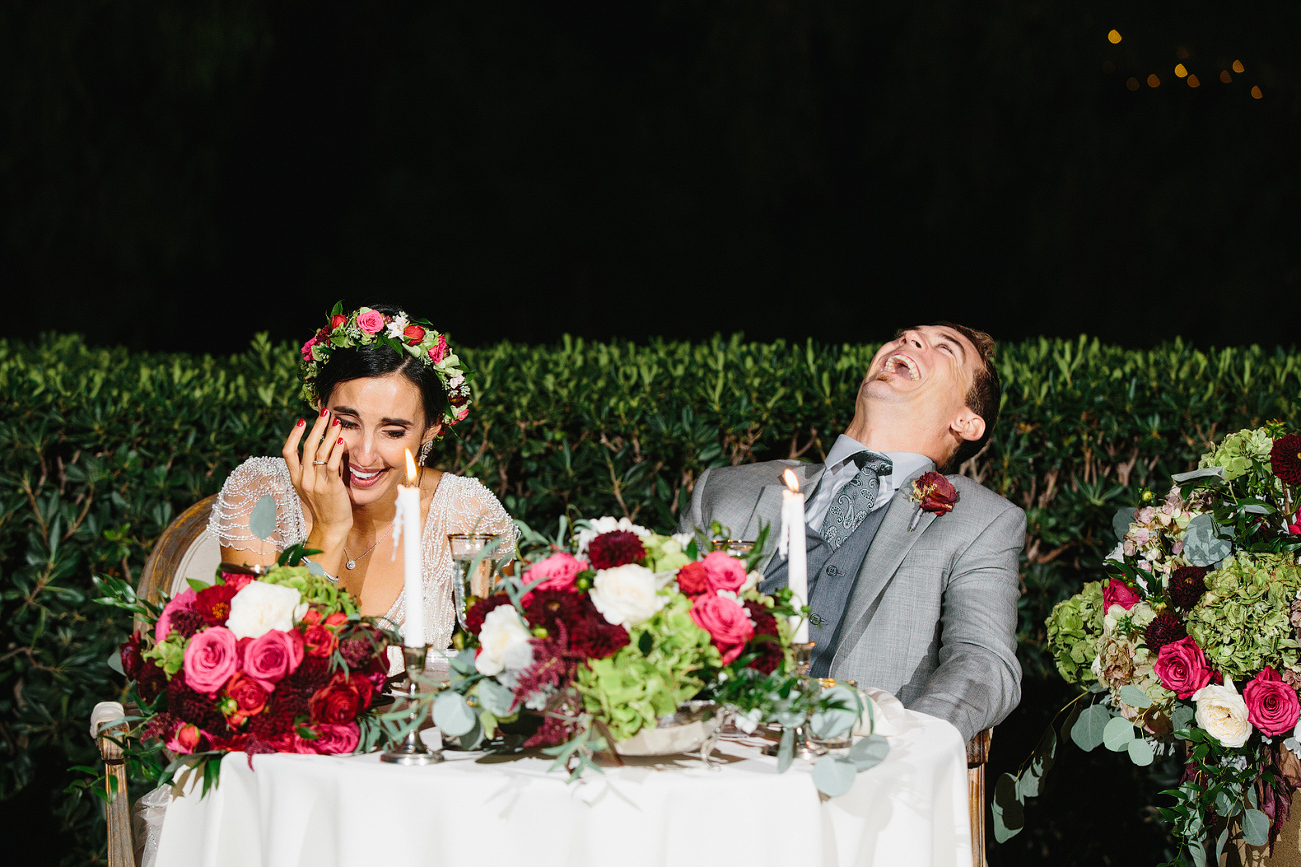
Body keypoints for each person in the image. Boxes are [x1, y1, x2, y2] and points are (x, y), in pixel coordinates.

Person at [678, 323, 1024, 742]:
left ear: (966, 422)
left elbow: (983, 661)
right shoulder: (726, 489)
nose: (908, 342)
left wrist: (909, 746)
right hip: (704, 748)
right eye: (905, 336)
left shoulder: (982, 520)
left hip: (856, 770)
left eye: (945, 349)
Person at [209, 303, 517, 653]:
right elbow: (257, 663)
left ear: (432, 428)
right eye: (348, 423)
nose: (365, 455)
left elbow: (505, 669)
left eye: (393, 431)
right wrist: (328, 531)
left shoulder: (468, 515)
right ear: (319, 405)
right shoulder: (261, 494)